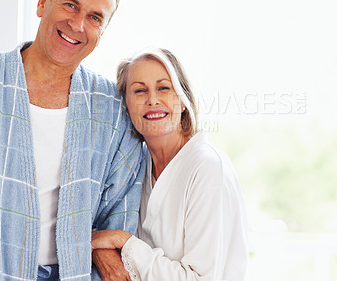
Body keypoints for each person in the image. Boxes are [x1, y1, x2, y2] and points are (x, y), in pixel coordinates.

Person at [0, 0, 144, 280]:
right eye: (70, 5)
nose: (78, 25)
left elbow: (120, 209)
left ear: (103, 31)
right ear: (43, 1)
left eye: (94, 17)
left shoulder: (113, 110)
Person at [91, 48, 249, 280]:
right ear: (126, 106)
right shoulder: (134, 166)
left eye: (163, 88)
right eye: (139, 90)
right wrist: (100, 250)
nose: (152, 100)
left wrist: (125, 243)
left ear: (183, 101)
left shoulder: (207, 168)